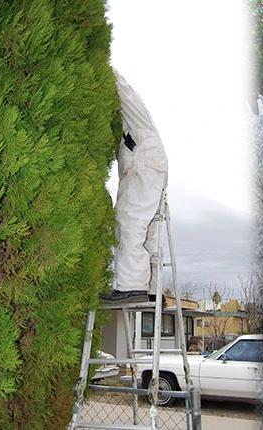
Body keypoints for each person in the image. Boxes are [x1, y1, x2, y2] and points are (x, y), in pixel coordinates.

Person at [100, 71, 169, 305]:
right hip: (149, 166)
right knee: (150, 230)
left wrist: (108, 72)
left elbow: (125, 94)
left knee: (130, 221)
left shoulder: (138, 121)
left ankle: (131, 287)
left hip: (145, 165)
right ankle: (153, 291)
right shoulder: (131, 128)